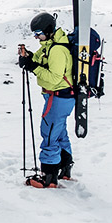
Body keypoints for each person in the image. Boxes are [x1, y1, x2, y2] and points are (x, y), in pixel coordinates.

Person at [18, 12, 75, 189]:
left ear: (49, 30)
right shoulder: (50, 45)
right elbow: (40, 59)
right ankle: (64, 169)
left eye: (39, 33)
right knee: (59, 132)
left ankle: (49, 177)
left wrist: (33, 67)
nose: (36, 36)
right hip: (60, 97)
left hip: (58, 95)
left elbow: (55, 78)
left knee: (49, 132)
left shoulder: (57, 50)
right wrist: (29, 57)